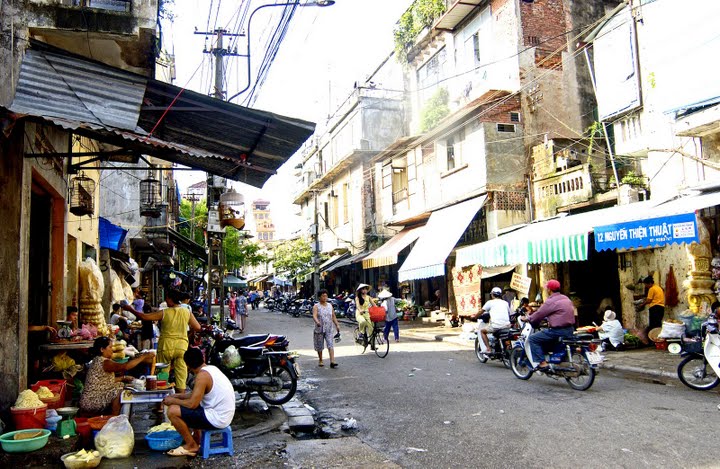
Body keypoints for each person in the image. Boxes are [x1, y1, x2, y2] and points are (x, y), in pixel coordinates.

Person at [164, 347, 235, 457]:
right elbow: (195, 396)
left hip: (217, 418)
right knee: (188, 407)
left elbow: (192, 404)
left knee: (173, 411)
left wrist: (173, 400)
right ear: (202, 359)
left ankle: (191, 445)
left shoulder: (202, 376)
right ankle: (197, 439)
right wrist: (177, 396)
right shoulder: (211, 369)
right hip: (224, 415)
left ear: (187, 365)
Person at [137, 289, 201, 393]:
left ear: (171, 299)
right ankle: (180, 402)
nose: (166, 301)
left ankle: (160, 404)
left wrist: (129, 309)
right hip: (181, 347)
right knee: (181, 375)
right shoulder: (187, 312)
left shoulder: (165, 312)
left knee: (162, 375)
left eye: (167, 298)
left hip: (166, 346)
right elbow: (198, 327)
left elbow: (144, 317)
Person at [79, 336, 154, 415]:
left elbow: (104, 381)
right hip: (91, 401)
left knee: (120, 385)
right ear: (102, 349)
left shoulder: (98, 360)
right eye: (110, 347)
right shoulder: (104, 362)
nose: (112, 350)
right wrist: (143, 356)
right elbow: (125, 367)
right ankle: (115, 419)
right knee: (118, 391)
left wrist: (123, 378)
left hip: (91, 398)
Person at [524, 279, 576, 370]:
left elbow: (539, 313)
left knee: (533, 339)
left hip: (557, 331)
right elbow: (557, 313)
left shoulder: (551, 301)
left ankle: (542, 363)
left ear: (549, 290)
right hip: (570, 329)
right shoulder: (565, 298)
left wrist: (528, 318)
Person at [476, 287, 512, 353]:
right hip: (507, 325)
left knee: (482, 331)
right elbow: (509, 313)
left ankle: (488, 349)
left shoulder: (490, 302)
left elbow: (481, 312)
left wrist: (475, 316)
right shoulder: (505, 303)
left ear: (492, 295)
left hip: (496, 326)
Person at [313, 289, 341, 368]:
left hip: (329, 328)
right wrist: (317, 322)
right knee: (319, 345)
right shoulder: (316, 306)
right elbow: (314, 315)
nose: (325, 297)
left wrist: (337, 325)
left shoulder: (330, 305)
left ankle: (332, 361)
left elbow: (333, 316)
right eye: (323, 296)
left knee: (330, 344)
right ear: (319, 297)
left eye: (326, 296)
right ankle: (321, 360)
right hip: (319, 329)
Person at [355, 284, 376, 349]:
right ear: (360, 290)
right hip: (360, 313)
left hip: (367, 314)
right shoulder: (357, 297)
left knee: (372, 329)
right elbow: (358, 306)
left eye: (366, 289)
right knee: (362, 322)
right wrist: (360, 310)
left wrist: (379, 309)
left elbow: (374, 305)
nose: (365, 290)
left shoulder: (368, 297)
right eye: (363, 289)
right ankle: (361, 333)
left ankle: (372, 345)